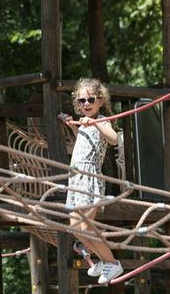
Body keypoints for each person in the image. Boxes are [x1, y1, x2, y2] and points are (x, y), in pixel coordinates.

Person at [59, 78, 124, 284]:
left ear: (100, 101)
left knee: (87, 228)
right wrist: (72, 126)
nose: (86, 104)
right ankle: (103, 261)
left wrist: (95, 123)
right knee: (76, 230)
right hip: (76, 178)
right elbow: (85, 140)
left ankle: (112, 263)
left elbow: (113, 139)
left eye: (90, 100)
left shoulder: (102, 120)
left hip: (90, 180)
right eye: (81, 101)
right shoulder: (85, 123)